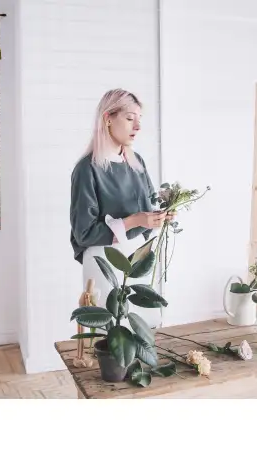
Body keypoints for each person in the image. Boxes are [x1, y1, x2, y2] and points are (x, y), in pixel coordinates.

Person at [70, 89, 173, 327]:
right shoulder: (87, 169)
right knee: (109, 335)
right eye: (129, 118)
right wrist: (134, 221)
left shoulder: (137, 163)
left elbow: (147, 212)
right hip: (104, 263)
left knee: (142, 328)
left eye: (139, 119)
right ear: (108, 118)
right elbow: (84, 233)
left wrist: (161, 215)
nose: (137, 126)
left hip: (137, 260)